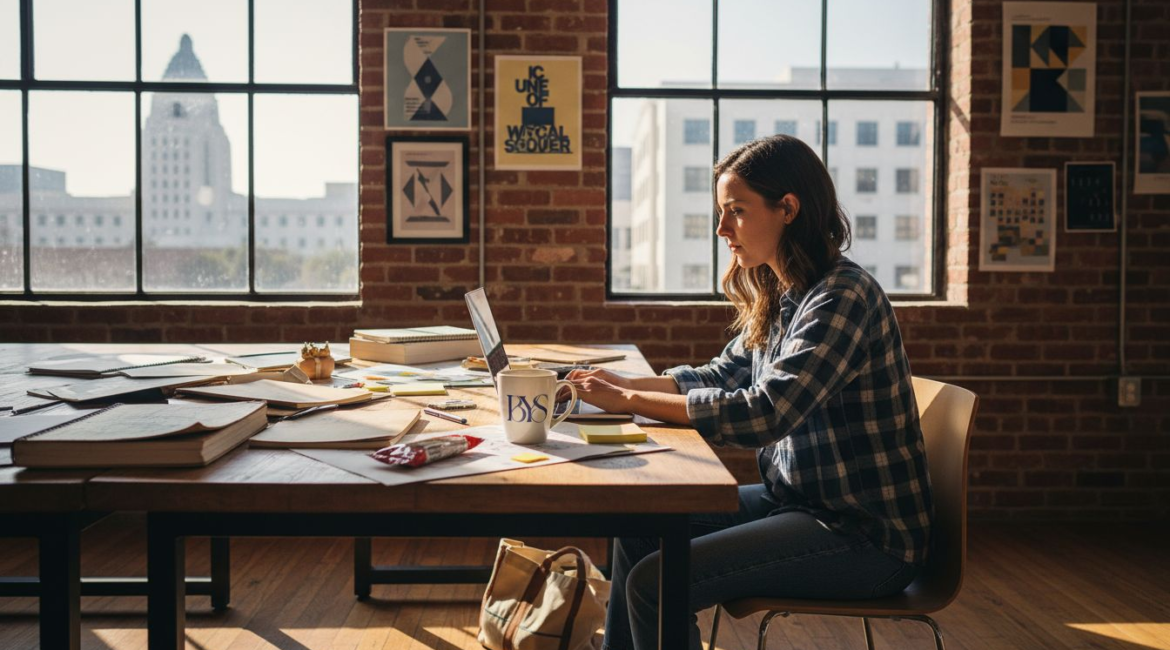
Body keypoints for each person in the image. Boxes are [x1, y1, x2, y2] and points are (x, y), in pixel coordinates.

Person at [568, 134, 934, 650]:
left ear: (788, 209)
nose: (722, 229)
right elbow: (722, 375)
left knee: (656, 583)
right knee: (641, 525)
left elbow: (766, 413)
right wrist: (617, 384)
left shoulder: (842, 296)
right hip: (797, 503)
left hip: (863, 537)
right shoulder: (782, 291)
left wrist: (630, 402)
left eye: (736, 211)